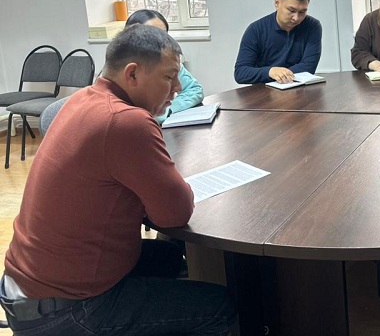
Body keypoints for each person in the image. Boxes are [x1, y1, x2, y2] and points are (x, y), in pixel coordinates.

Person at [0, 25, 236, 336]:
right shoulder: (126, 121)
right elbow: (176, 214)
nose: (177, 87)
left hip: (27, 288)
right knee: (224, 308)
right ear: (132, 74)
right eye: (169, 77)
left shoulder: (82, 99)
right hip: (67, 309)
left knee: (168, 257)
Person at [234, 0, 322, 84]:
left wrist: (281, 75)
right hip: (264, 90)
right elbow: (241, 73)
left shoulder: (312, 26)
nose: (296, 18)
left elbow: (309, 67)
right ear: (277, 3)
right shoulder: (255, 30)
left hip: (298, 88)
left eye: (302, 12)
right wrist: (270, 72)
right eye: (291, 10)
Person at [125, 9, 204, 123]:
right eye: (152, 35)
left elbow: (194, 89)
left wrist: (168, 109)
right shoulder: (122, 70)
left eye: (163, 34)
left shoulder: (169, 63)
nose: (161, 40)